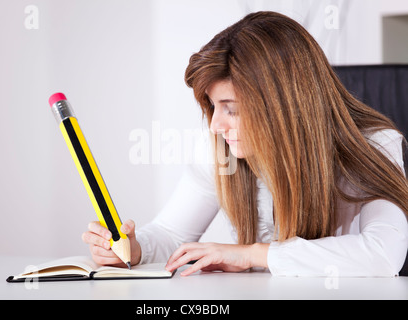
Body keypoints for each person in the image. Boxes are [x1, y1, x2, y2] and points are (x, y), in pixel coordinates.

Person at [81, 11, 408, 277]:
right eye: (213, 106)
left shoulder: (376, 144)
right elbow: (172, 235)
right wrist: (133, 249)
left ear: (284, 104)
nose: (215, 125)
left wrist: (252, 254)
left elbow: (381, 256)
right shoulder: (222, 148)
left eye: (231, 109)